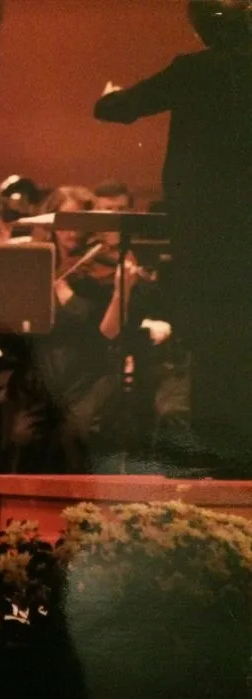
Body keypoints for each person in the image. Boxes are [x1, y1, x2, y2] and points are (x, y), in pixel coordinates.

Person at [94, 0, 252, 475]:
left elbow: (114, 110)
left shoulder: (191, 70)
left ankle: (222, 469)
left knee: (210, 351)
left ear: (200, 28)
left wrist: (110, 95)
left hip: (203, 238)